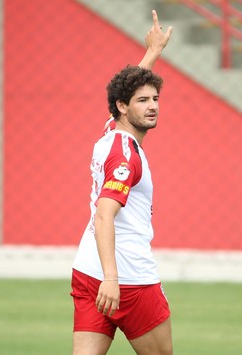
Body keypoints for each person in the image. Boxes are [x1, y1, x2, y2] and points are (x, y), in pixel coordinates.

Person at [71, 10, 173, 355]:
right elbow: (104, 215)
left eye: (155, 99)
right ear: (123, 107)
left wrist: (153, 53)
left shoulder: (109, 132)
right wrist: (113, 279)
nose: (153, 107)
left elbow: (126, 91)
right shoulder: (126, 157)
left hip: (87, 271)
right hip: (127, 279)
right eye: (143, 101)